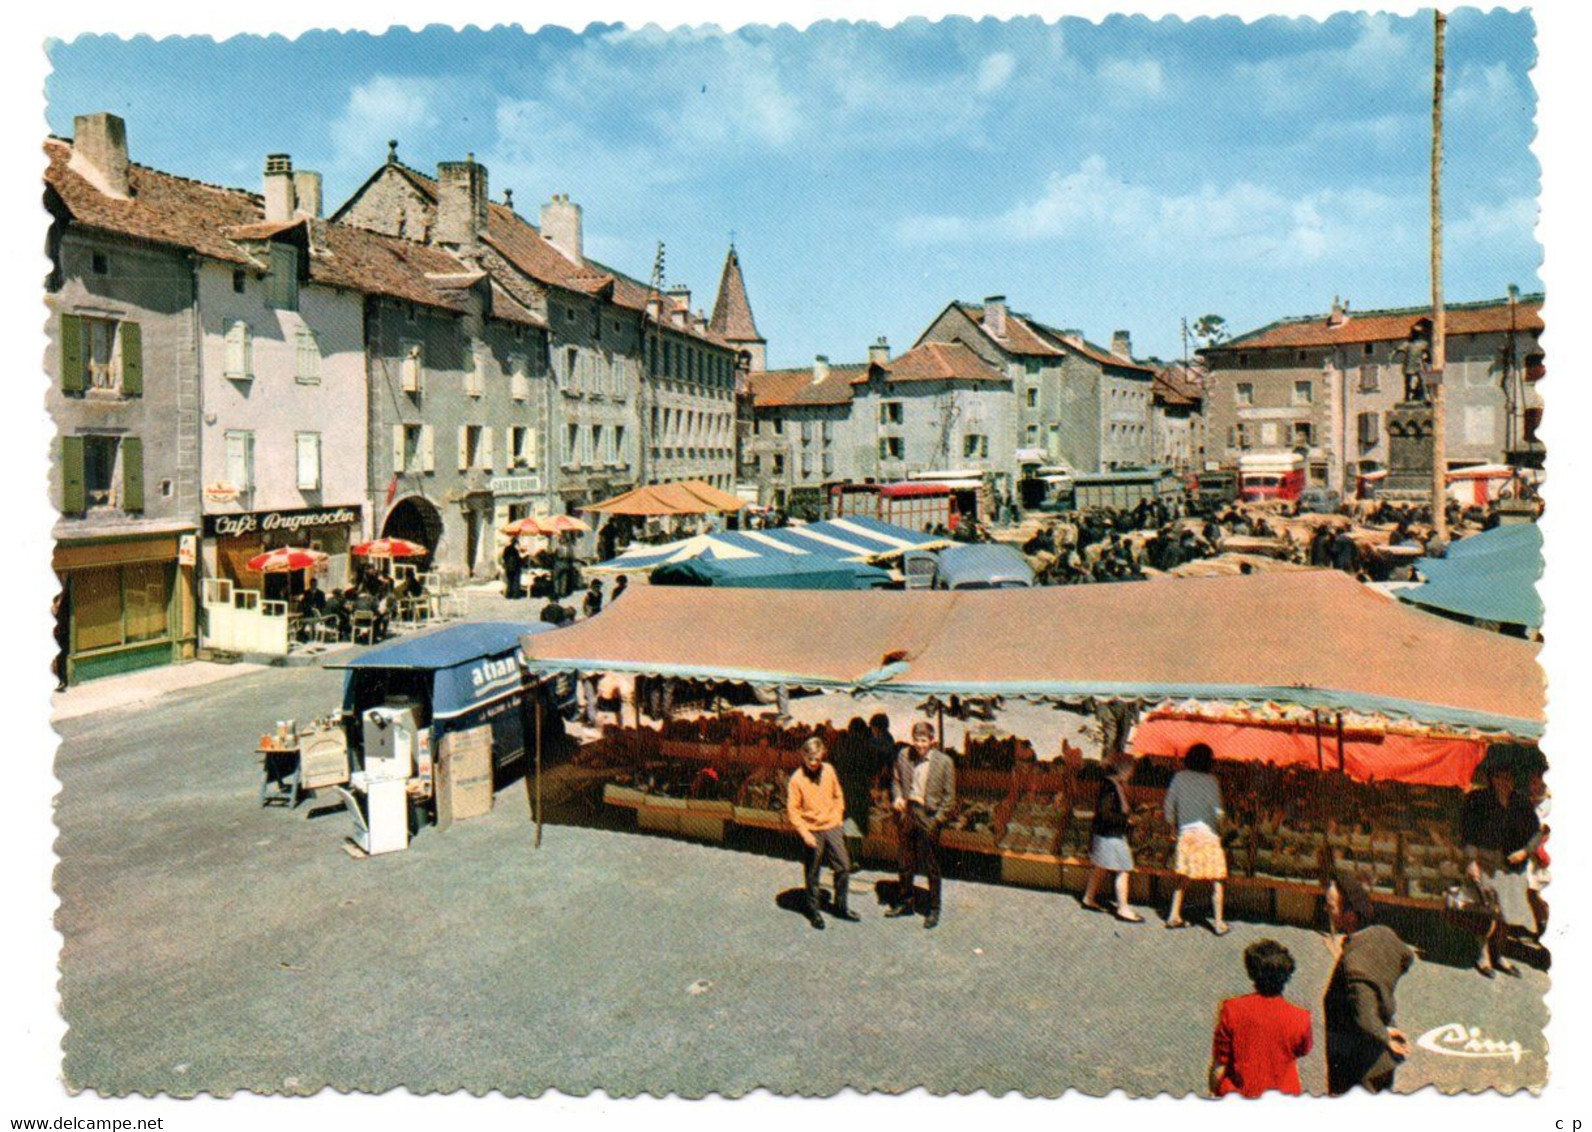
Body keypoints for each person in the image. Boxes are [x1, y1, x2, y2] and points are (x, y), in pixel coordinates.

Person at [1323, 871, 1414, 1095]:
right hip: (1382, 1060)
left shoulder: (1355, 963)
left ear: (1350, 915)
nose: (1327, 910)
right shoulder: (1385, 934)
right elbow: (1407, 957)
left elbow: (1363, 1016)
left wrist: (1383, 1036)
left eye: (1331, 906)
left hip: (1358, 1066)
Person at [1460, 756, 1542, 977]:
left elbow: (1536, 833)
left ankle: (1499, 955)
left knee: (1506, 916)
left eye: (1508, 778)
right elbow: (1467, 833)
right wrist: (1471, 862)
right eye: (1499, 778)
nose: (1504, 782)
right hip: (1485, 862)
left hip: (1511, 868)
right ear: (1491, 779)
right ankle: (1483, 957)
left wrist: (1525, 851)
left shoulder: (1521, 803)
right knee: (1488, 913)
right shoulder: (1478, 800)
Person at [1209, 939, 1313, 1098]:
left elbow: (1220, 1064)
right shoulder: (1301, 1017)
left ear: (1251, 974)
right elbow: (1301, 1050)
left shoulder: (1231, 1009)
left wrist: (1213, 1091)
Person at [885, 721, 956, 929]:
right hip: (908, 813)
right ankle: (906, 901)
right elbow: (896, 781)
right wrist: (897, 797)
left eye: (924, 741)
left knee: (932, 865)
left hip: (928, 816)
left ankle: (934, 908)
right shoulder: (903, 755)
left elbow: (950, 798)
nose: (919, 745)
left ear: (932, 741)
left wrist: (937, 821)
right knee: (905, 861)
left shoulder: (944, 762)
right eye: (916, 740)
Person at [785, 737, 858, 930]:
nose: (814, 763)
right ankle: (813, 910)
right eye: (811, 759)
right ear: (803, 756)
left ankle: (841, 906)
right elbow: (792, 810)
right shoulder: (796, 780)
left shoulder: (829, 770)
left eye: (818, 759)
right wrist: (805, 833)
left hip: (832, 826)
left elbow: (838, 795)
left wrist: (838, 816)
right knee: (812, 873)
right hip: (812, 830)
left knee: (843, 866)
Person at [1165, 743, 1229, 935]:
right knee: (1216, 879)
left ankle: (1173, 915)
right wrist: (1223, 829)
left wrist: (1172, 826)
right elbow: (1218, 811)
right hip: (1208, 834)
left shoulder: (1179, 777)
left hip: (1186, 833)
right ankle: (1218, 922)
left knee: (1183, 876)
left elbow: (1169, 805)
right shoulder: (1211, 781)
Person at [1081, 752, 1143, 922]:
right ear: (1123, 769)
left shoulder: (1116, 784)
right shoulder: (1110, 786)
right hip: (1111, 834)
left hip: (1105, 833)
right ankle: (1123, 908)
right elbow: (1105, 813)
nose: (1132, 772)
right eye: (1130, 768)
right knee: (1124, 868)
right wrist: (1127, 820)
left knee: (1100, 866)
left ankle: (1088, 897)